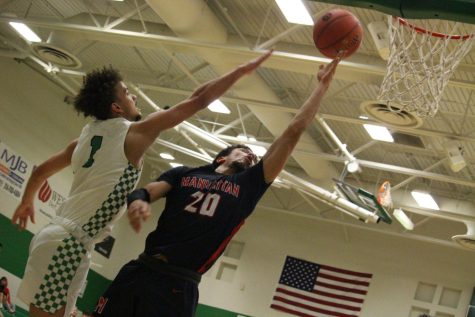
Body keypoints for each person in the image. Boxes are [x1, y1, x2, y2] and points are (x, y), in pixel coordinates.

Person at [11, 51, 272, 317]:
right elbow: (198, 99)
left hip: (55, 235)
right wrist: (239, 72)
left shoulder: (82, 140)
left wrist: (26, 201)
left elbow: (40, 172)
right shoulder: (132, 133)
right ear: (117, 108)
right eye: (126, 92)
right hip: (71, 243)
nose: (133, 95)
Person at [93, 56, 341, 317]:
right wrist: (138, 201)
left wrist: (322, 87)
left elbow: (293, 133)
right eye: (244, 151)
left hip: (178, 285)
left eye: (254, 157)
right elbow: (147, 191)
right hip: (140, 269)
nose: (251, 156)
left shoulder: (249, 185)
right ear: (222, 157)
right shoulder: (184, 174)